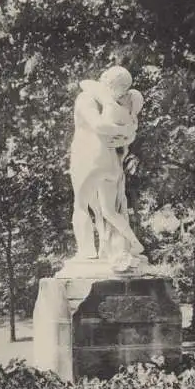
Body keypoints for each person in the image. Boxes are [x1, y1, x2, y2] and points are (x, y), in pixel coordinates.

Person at [70, 66, 144, 267]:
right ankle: (119, 247)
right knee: (110, 209)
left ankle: (87, 253)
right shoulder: (123, 107)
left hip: (88, 157)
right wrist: (128, 131)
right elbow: (128, 134)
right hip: (111, 162)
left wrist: (127, 131)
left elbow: (98, 126)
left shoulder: (87, 98)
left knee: (81, 205)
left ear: (104, 79)